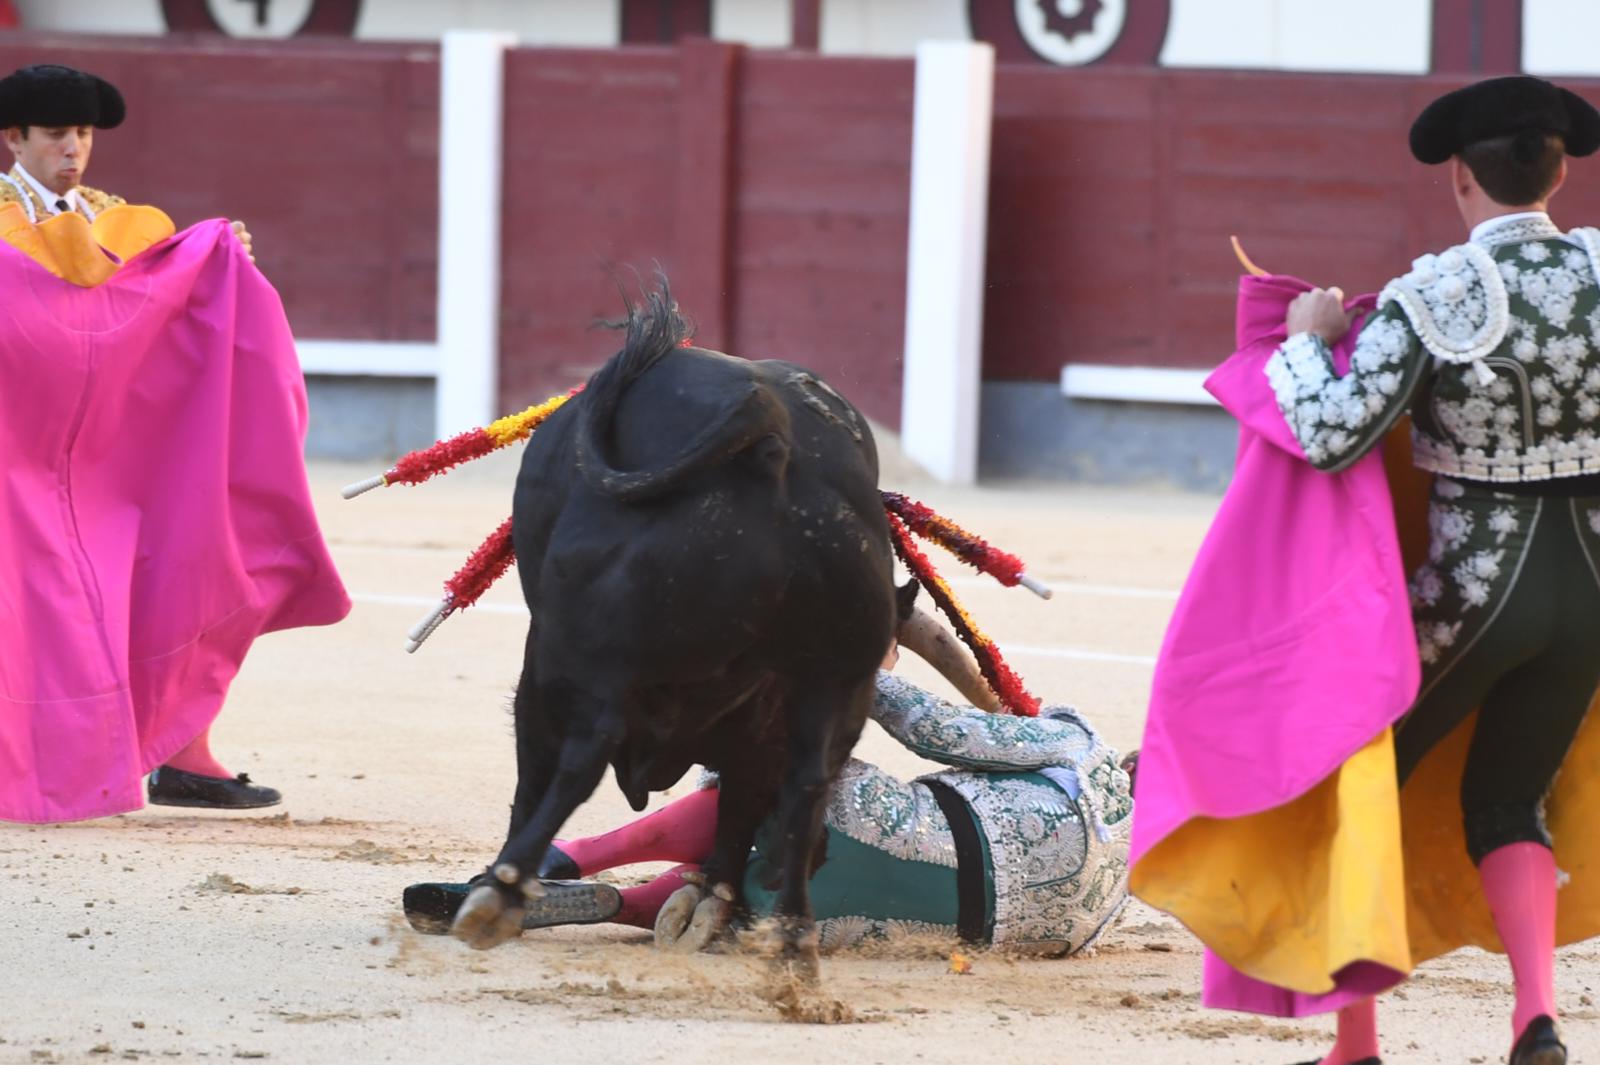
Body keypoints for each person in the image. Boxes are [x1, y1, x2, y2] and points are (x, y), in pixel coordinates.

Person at [1257, 76, 1600, 1065]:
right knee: (1505, 801)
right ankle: (1535, 1014)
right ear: (1561, 169)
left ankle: (1354, 1043)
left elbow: (1325, 435)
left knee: (1356, 780)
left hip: (1475, 592)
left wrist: (1303, 346)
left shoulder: (1435, 295)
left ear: (1457, 177)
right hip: (1591, 591)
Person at [0, 63, 349, 820]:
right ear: (13, 138)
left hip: (115, 453)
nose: (74, 149)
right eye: (57, 134)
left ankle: (183, 753)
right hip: (15, 453)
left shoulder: (115, 220)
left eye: (84, 134)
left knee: (182, 560)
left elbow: (157, 316)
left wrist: (222, 264)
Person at [403, 646, 1133, 957]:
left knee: (767, 764)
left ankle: (569, 857)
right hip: (902, 921)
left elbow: (937, 728)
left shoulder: (1080, 746)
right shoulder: (1119, 900)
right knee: (757, 890)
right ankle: (630, 903)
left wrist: (845, 658)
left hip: (878, 830)